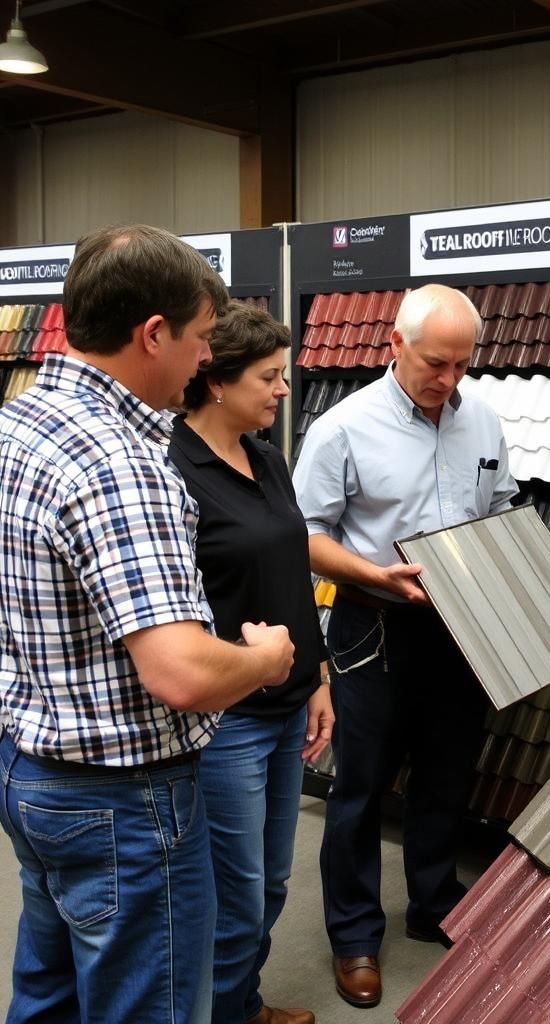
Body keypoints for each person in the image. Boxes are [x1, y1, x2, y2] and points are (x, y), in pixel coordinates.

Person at [0, 225, 295, 1024]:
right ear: (152, 333)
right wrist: (265, 659)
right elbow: (183, 674)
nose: (207, 358)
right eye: (201, 338)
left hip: (33, 770)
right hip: (122, 799)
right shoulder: (122, 464)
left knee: (50, 995)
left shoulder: (21, 421)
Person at [293, 283, 518, 1009]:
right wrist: (371, 572)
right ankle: (355, 935)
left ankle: (431, 901)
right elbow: (303, 537)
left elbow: (503, 503)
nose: (448, 380)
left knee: (448, 772)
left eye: (462, 364)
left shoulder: (481, 420)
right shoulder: (344, 428)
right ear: (395, 345)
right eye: (434, 363)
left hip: (461, 626)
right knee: (358, 787)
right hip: (373, 625)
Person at [169, 301, 334, 1024]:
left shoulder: (267, 458)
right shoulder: (174, 471)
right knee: (232, 895)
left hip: (289, 702)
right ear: (215, 381)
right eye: (268, 377)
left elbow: (294, 576)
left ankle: (242, 1003)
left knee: (268, 884)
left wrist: (319, 676)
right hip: (227, 721)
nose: (282, 390)